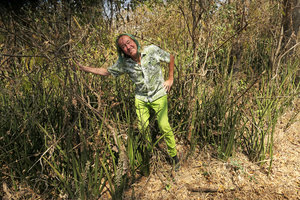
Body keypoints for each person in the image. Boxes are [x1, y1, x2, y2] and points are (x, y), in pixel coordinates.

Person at [76, 33, 180, 170]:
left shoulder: (151, 51)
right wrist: (83, 68)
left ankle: (174, 157)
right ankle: (149, 153)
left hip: (158, 95)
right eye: (123, 46)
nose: (128, 47)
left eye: (129, 42)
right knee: (142, 127)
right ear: (122, 51)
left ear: (134, 41)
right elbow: (106, 71)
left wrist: (170, 78)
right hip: (141, 98)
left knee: (164, 126)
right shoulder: (124, 63)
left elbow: (170, 57)